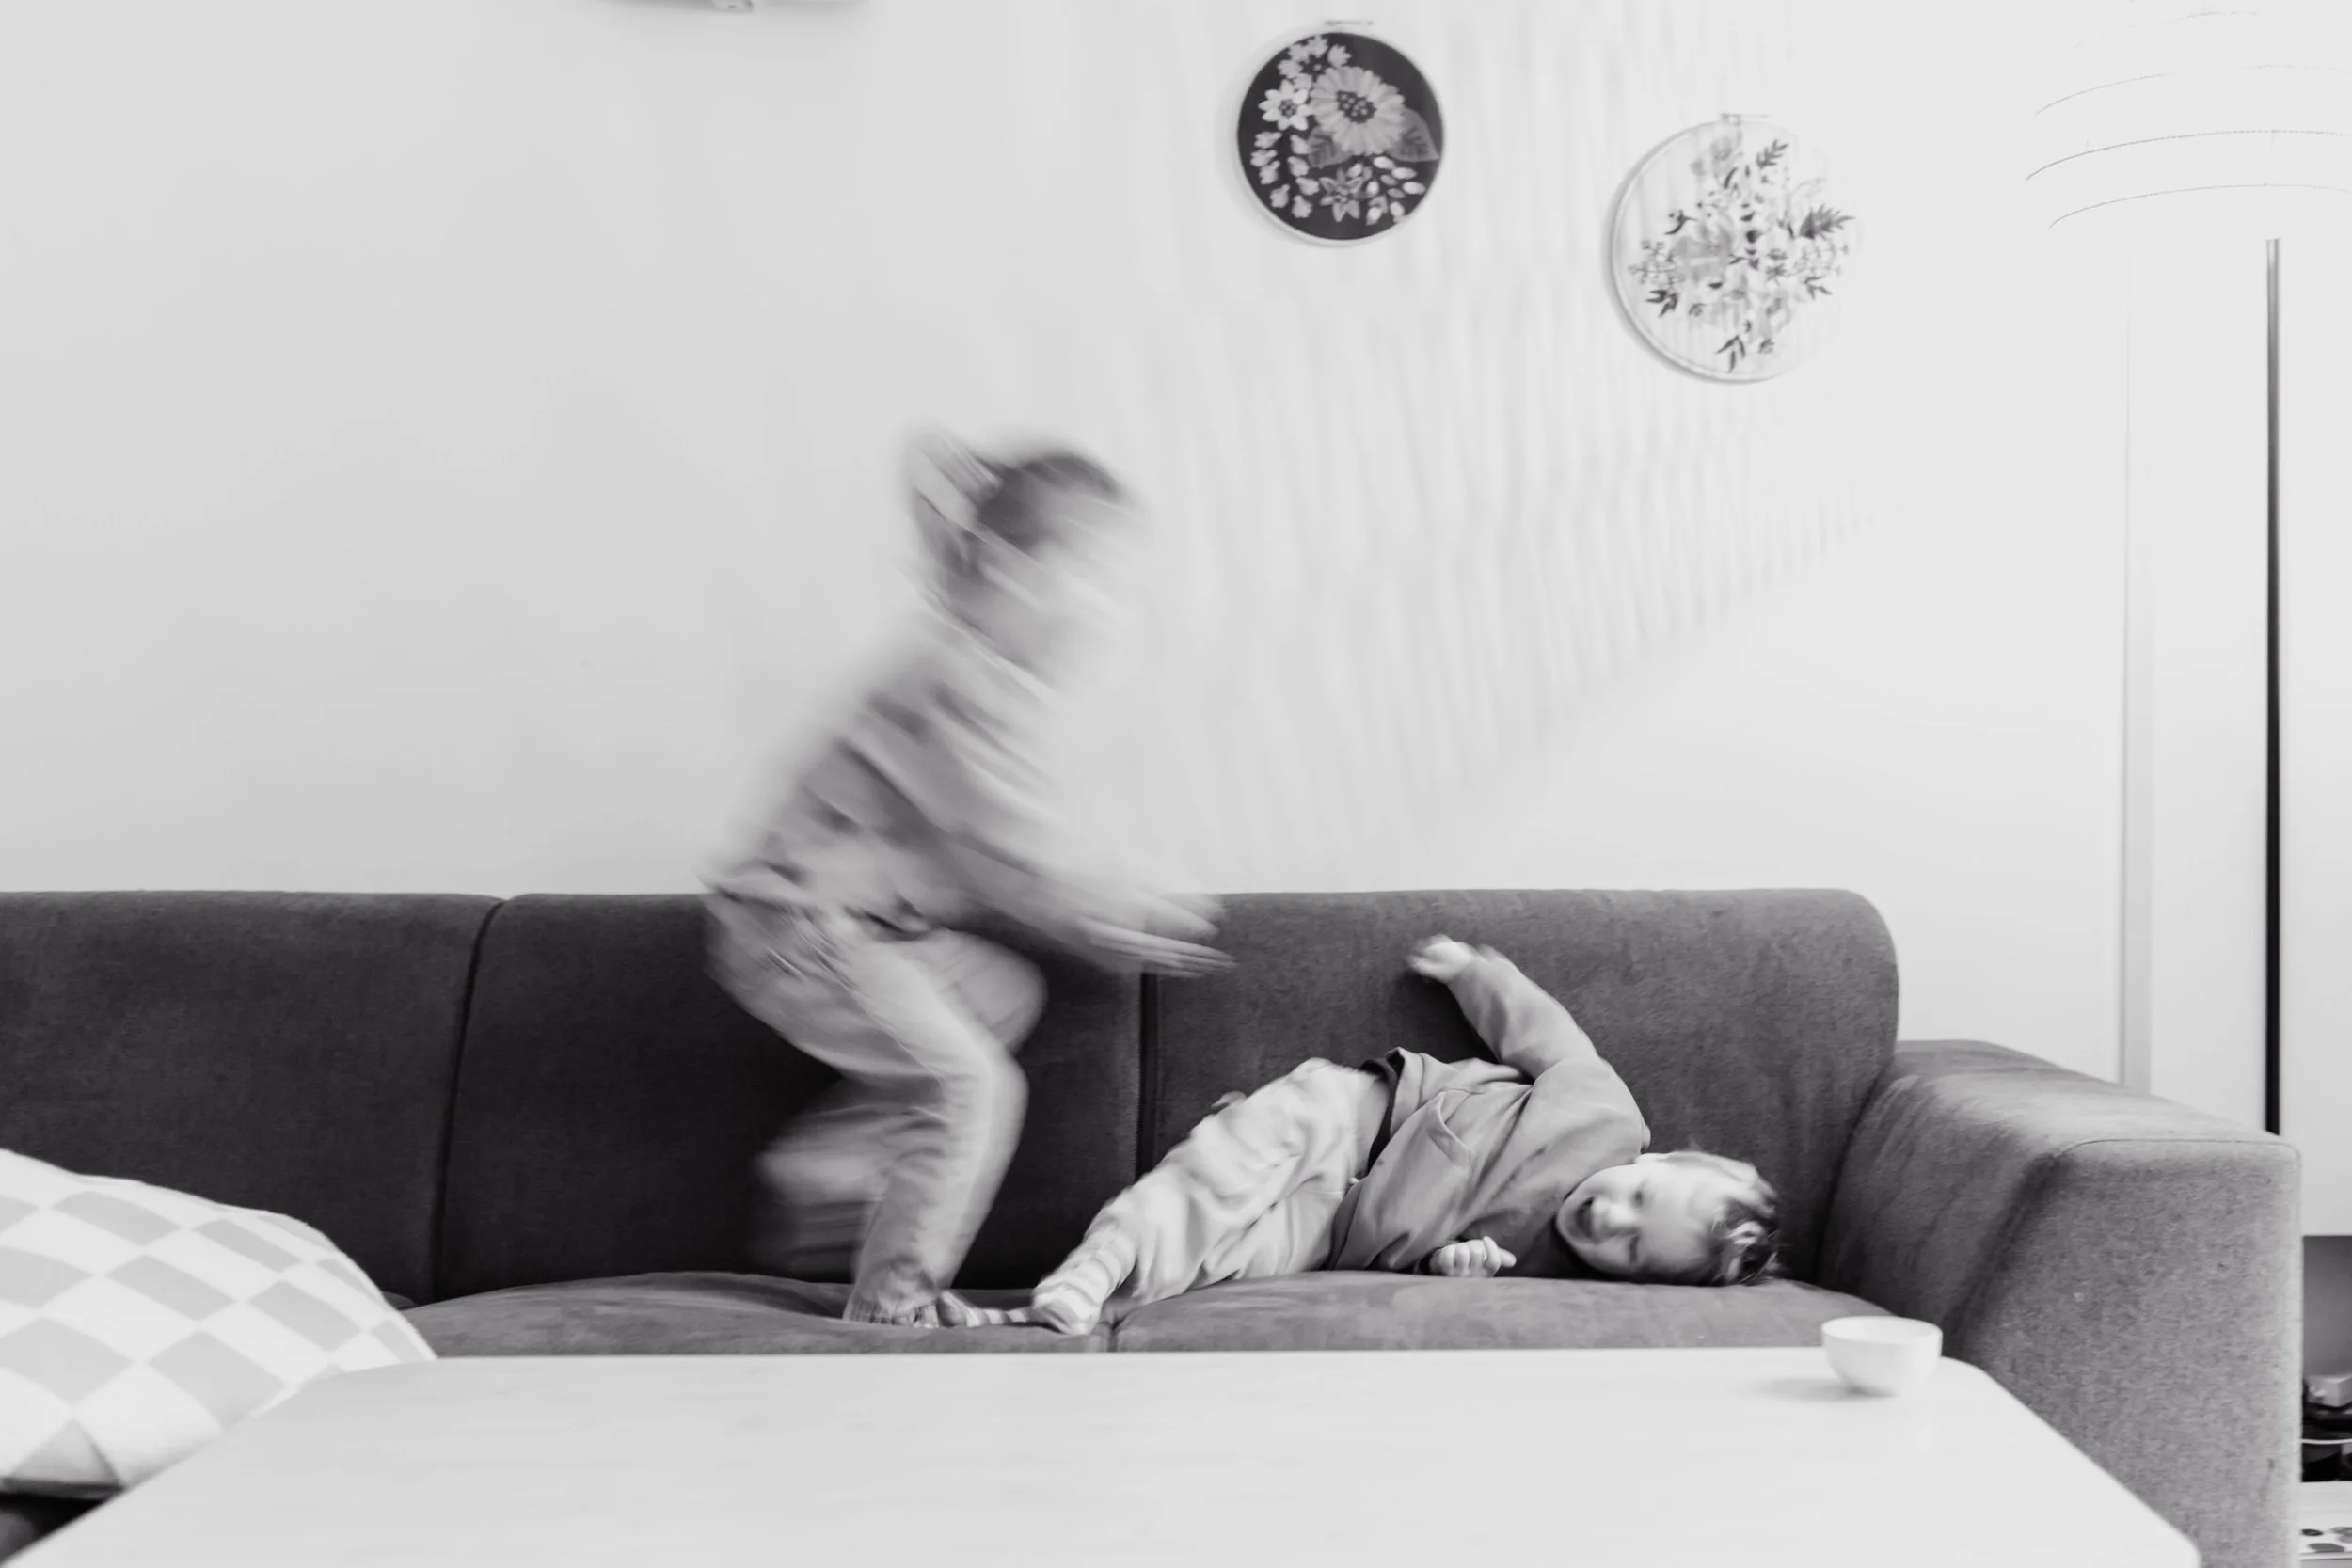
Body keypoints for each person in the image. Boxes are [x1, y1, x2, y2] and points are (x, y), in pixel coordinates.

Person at [705, 431, 1229, 1329]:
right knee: (970, 1088)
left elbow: (1012, 825)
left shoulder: (982, 680)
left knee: (1001, 990)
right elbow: (1009, 844)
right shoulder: (950, 676)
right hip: (800, 931)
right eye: (1088, 579)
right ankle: (892, 1311)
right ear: (1009, 571)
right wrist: (1112, 903)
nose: (1101, 612)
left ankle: (826, 1166)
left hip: (858, 931)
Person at [953, 934, 1781, 1334]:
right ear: (1660, 1155)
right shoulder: (1603, 1110)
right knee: (1210, 1183)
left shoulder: (1552, 1269)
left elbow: (1444, 1270)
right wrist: (1474, 971)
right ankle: (1092, 1264)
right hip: (1352, 1118)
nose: (1613, 1220)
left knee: (1212, 1262)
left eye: (1634, 1249)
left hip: (1335, 1233)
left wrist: (1457, 1265)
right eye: (1641, 1196)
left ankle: (1061, 1309)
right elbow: (1543, 1030)